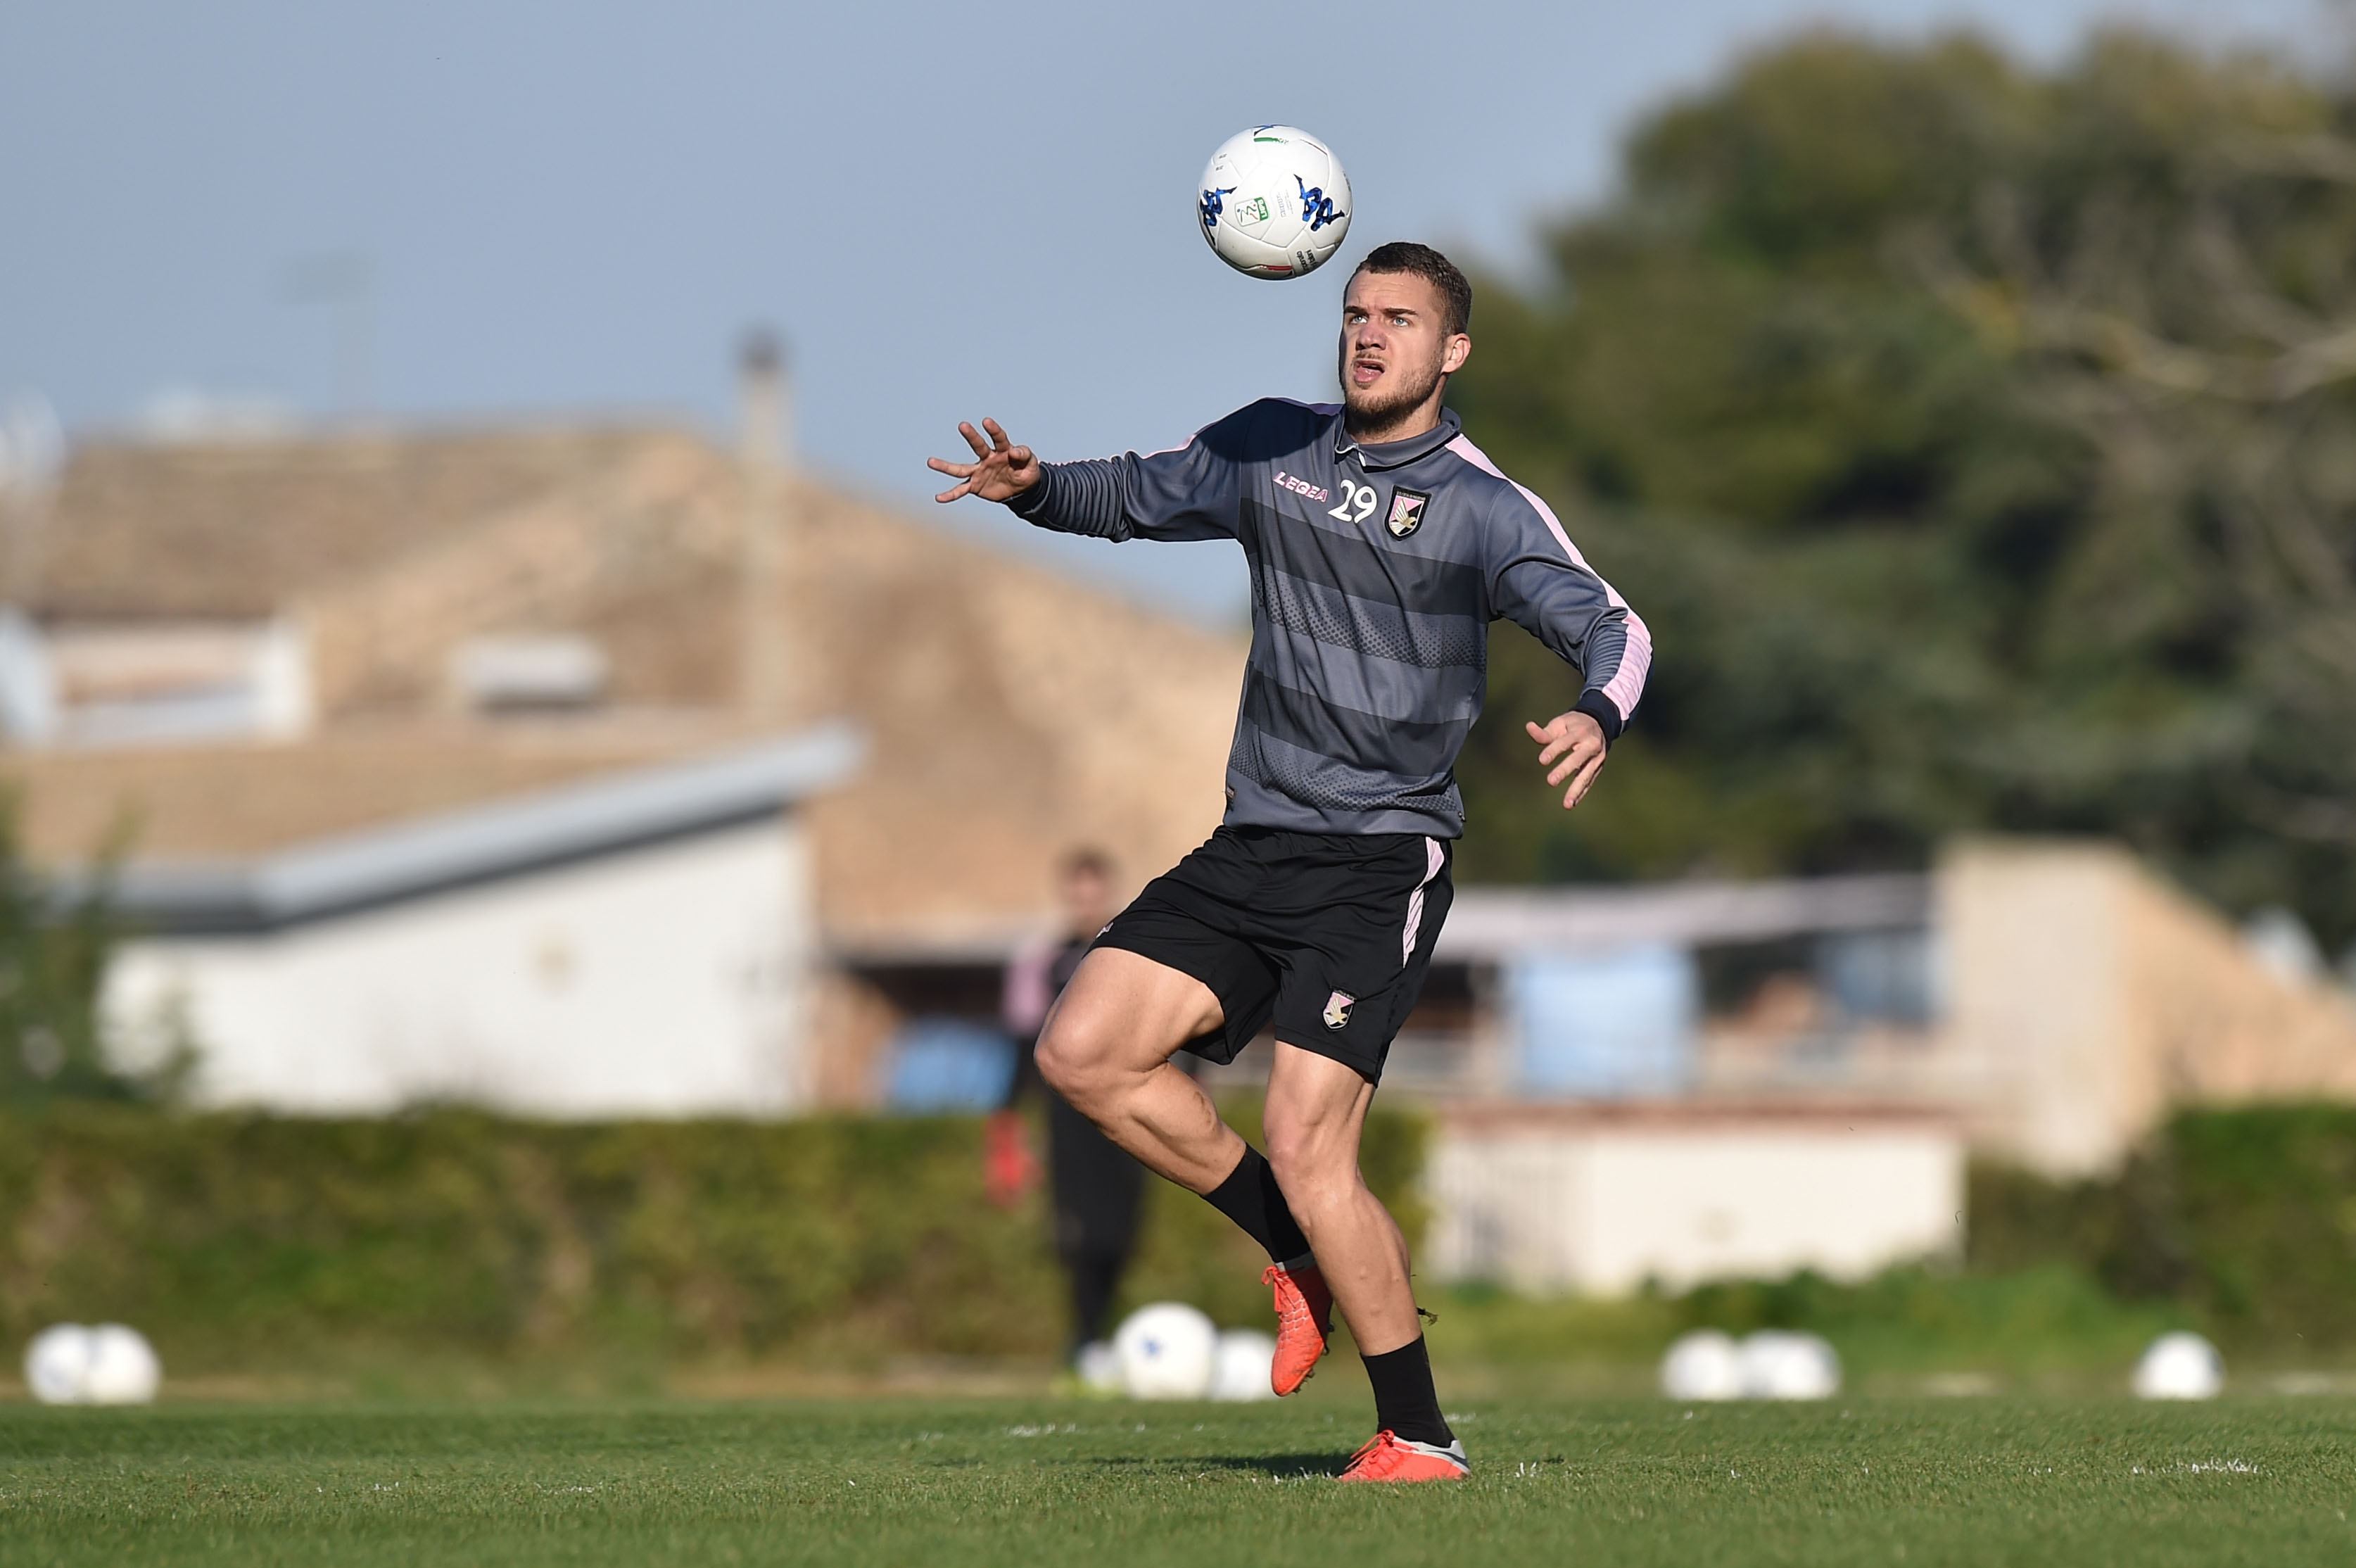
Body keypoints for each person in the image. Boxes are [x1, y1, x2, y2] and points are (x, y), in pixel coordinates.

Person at [927, 241, 1649, 1484]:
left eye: (1400, 321)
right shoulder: (1271, 445)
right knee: (1078, 1050)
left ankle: (1418, 1431)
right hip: (1253, 838)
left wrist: (1594, 709)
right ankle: (1294, 1251)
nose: (1368, 336)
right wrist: (1037, 488)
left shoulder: (1482, 506)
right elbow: (1138, 493)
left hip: (1377, 863)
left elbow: (1613, 623)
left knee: (1316, 1145)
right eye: (1355, 314)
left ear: (1451, 350)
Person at [992, 847, 1151, 1386]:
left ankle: (1100, 1336)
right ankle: (1082, 1342)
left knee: (1121, 1234)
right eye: (1076, 893)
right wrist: (1008, 1129)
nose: (1085, 903)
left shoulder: (1137, 950)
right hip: (1068, 1118)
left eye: (1094, 892)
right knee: (1077, 1235)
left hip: (1130, 1105)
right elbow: (1020, 1051)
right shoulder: (1040, 963)